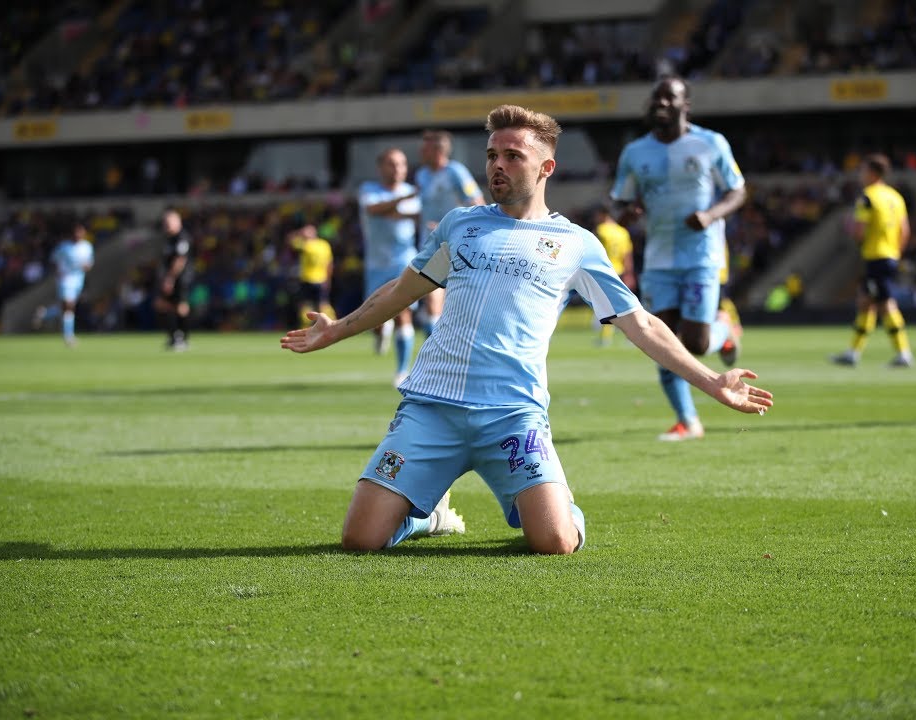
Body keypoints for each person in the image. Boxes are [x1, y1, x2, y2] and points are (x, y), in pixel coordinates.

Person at [281, 104, 773, 556]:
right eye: (493, 154)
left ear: (545, 168)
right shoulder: (460, 225)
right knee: (359, 540)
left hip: (513, 416)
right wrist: (336, 331)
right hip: (432, 408)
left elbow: (640, 322)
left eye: (513, 156)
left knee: (556, 541)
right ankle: (427, 515)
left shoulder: (576, 244)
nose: (497, 165)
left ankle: (556, 503)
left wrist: (712, 382)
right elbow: (398, 292)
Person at [610, 73, 749, 442]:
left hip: (701, 256)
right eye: (656, 99)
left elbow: (737, 191)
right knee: (661, 343)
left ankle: (726, 331)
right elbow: (620, 202)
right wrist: (627, 215)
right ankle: (688, 420)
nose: (661, 105)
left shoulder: (710, 143)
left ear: (685, 104)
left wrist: (710, 215)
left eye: (669, 99)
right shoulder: (635, 152)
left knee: (698, 343)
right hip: (658, 259)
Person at [830, 153, 916, 368]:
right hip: (890, 256)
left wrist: (850, 227)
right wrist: (895, 252)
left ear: (872, 173)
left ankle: (903, 353)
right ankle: (853, 353)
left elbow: (859, 231)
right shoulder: (896, 197)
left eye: (863, 170)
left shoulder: (867, 197)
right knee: (865, 303)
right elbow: (905, 231)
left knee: (886, 304)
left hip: (875, 257)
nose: (860, 174)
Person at [358, 147, 423, 387]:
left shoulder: (412, 193)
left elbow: (418, 218)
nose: (397, 169)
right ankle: (380, 330)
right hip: (376, 263)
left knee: (403, 313)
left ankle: (402, 371)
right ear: (381, 168)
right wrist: (403, 203)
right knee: (375, 317)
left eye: (402, 164)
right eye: (392, 164)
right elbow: (374, 209)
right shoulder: (369, 191)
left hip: (405, 260)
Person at [413, 128, 485, 336]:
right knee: (431, 297)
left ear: (438, 151)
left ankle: (442, 346)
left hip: (454, 242)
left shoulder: (455, 171)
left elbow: (477, 203)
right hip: (428, 243)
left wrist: (450, 225)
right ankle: (439, 348)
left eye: (425, 148)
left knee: (443, 299)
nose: (420, 152)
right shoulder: (422, 175)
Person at [38, 221, 95, 346]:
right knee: (69, 306)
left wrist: (86, 266)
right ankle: (68, 336)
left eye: (81, 232)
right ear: (72, 234)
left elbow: (89, 263)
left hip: (79, 280)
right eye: (76, 232)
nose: (78, 234)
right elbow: (53, 260)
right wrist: (58, 271)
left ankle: (45, 314)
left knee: (65, 308)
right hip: (66, 279)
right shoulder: (64, 247)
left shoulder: (87, 247)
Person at [589, 204, 635, 347]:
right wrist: (629, 274)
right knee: (623, 305)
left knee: (607, 306)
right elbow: (627, 256)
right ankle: (632, 335)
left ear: (603, 214)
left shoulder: (601, 231)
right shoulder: (622, 232)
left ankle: (605, 338)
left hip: (604, 270)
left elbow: (594, 252)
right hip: (620, 271)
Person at [156, 208, 195, 351]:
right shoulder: (169, 239)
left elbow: (180, 260)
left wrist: (170, 278)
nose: (166, 225)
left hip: (181, 278)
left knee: (180, 306)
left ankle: (182, 338)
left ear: (178, 222)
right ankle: (175, 336)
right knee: (163, 304)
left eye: (169, 222)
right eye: (165, 222)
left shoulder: (182, 238)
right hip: (170, 277)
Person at [289, 222, 335, 328]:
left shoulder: (306, 245)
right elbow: (330, 264)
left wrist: (299, 233)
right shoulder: (324, 244)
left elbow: (290, 240)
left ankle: (306, 327)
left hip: (308, 279)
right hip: (321, 279)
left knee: (306, 305)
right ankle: (332, 325)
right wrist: (328, 279)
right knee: (323, 303)